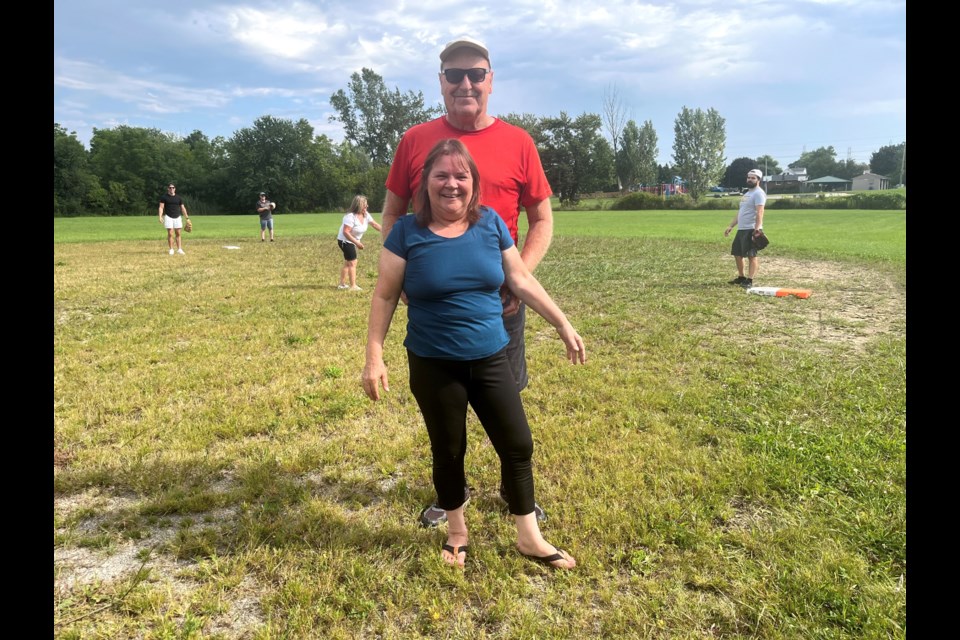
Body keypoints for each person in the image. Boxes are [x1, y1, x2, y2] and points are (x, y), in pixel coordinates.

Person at [363, 139, 585, 569]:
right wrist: (375, 355)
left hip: (490, 356)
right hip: (433, 362)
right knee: (449, 449)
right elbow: (386, 295)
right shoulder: (406, 232)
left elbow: (519, 279)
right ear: (425, 182)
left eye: (461, 176)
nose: (452, 184)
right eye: (441, 175)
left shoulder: (491, 224)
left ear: (473, 183)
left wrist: (562, 323)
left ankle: (529, 537)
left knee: (517, 444)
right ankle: (457, 532)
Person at [381, 35, 554, 527]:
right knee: (443, 407)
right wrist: (406, 271)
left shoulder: (519, 142)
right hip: (435, 306)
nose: (465, 83)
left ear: (490, 81)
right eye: (454, 74)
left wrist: (516, 276)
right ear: (441, 83)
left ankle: (512, 489)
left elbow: (542, 219)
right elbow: (393, 215)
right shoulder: (416, 140)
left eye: (476, 73)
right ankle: (450, 498)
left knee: (506, 399)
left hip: (500, 304)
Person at [724, 169, 767, 287]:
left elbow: (760, 212)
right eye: (748, 177)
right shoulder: (747, 194)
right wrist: (731, 226)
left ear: (758, 180)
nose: (750, 179)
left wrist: (757, 229)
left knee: (751, 255)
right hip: (741, 229)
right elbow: (740, 212)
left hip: (751, 229)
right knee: (737, 253)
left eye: (753, 178)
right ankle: (741, 277)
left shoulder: (758, 193)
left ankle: (750, 280)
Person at [337, 195, 382, 291]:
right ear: (358, 206)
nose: (367, 207)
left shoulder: (365, 215)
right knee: (353, 262)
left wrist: (386, 231)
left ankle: (342, 284)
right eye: (365, 206)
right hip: (345, 240)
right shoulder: (350, 217)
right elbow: (346, 232)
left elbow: (374, 224)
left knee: (348, 262)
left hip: (352, 240)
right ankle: (353, 286)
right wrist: (357, 243)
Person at [159, 183, 190, 255]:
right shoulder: (164, 197)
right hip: (168, 217)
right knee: (170, 233)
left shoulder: (178, 198)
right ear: (168, 189)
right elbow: (161, 207)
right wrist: (160, 216)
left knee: (178, 233)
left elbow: (183, 208)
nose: (171, 189)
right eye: (170, 188)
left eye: (173, 188)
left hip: (177, 217)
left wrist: (187, 218)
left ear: (175, 189)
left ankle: (179, 249)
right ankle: (171, 249)